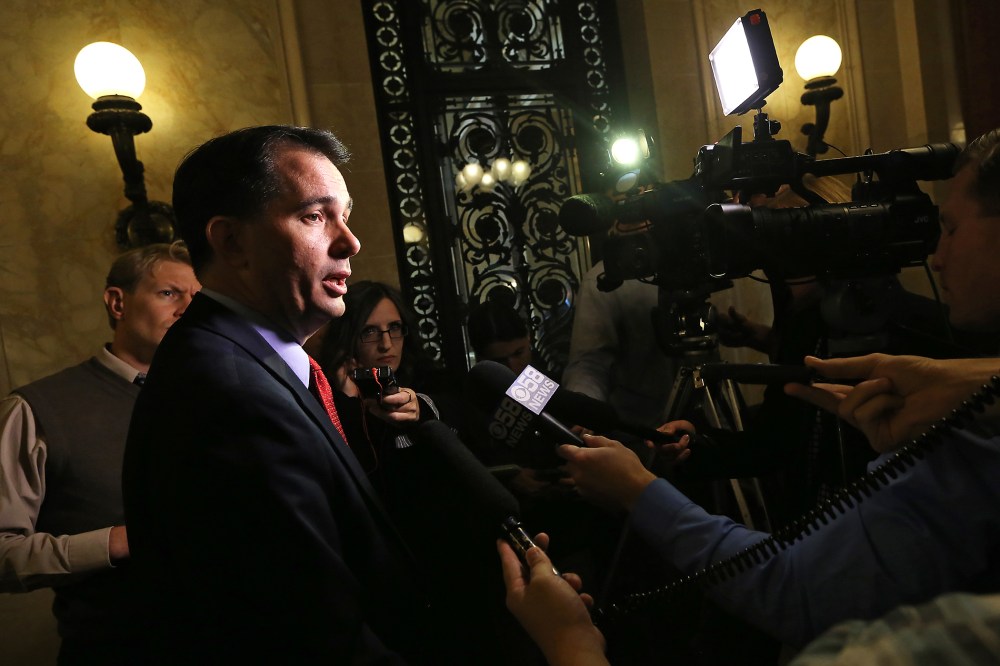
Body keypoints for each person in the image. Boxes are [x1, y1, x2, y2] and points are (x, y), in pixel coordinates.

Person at [503, 127, 1000, 656]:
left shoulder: (936, 364)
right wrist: (677, 442)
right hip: (655, 452)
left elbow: (796, 586)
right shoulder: (608, 283)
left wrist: (635, 494)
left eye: (950, 228)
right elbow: (777, 436)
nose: (939, 254)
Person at [122, 126, 444, 663]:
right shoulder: (229, 394)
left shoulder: (244, 359)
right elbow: (308, 632)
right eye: (315, 216)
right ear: (230, 241)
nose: (350, 241)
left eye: (346, 214)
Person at [0, 242, 199, 664]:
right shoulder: (37, 410)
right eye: (169, 293)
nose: (188, 309)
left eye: (196, 298)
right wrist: (114, 543)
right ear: (117, 302)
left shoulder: (220, 395)